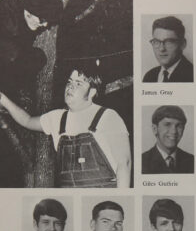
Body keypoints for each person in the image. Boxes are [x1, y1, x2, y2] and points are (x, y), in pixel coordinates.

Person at [0, 66, 131, 188]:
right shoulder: (57, 118)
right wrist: (3, 99)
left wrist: (120, 198)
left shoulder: (108, 116)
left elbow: (124, 163)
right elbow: (27, 120)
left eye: (78, 83)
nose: (70, 87)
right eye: (69, 82)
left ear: (92, 92)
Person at [0, 0, 63, 95]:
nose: (45, 25)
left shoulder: (28, 19)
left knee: (38, 57)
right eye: (43, 20)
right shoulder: (9, 21)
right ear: (29, 12)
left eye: (47, 21)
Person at [142, 106, 194, 174]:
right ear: (155, 129)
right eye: (167, 124)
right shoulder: (142, 161)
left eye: (179, 126)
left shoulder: (192, 161)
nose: (174, 131)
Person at [143, 16, 193, 82]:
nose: (162, 49)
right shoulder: (149, 76)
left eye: (169, 42)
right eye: (156, 41)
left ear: (182, 44)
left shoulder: (192, 75)